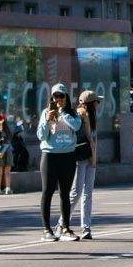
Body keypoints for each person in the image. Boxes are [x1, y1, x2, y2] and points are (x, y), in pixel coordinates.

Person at [37, 85, 82, 241]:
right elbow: (41, 135)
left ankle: (66, 228)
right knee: (47, 192)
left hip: (68, 156)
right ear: (51, 98)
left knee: (65, 193)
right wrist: (48, 120)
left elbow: (77, 126)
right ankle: (46, 229)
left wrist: (63, 113)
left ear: (66, 97)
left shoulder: (72, 113)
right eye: (55, 97)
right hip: (50, 155)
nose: (58, 100)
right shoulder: (46, 113)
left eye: (61, 96)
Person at [71, 90, 100, 241]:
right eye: (97, 102)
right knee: (76, 192)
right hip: (80, 157)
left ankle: (86, 227)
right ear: (91, 103)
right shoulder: (79, 115)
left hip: (90, 157)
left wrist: (94, 158)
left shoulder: (93, 117)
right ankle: (62, 224)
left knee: (88, 193)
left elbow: (93, 139)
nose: (98, 104)